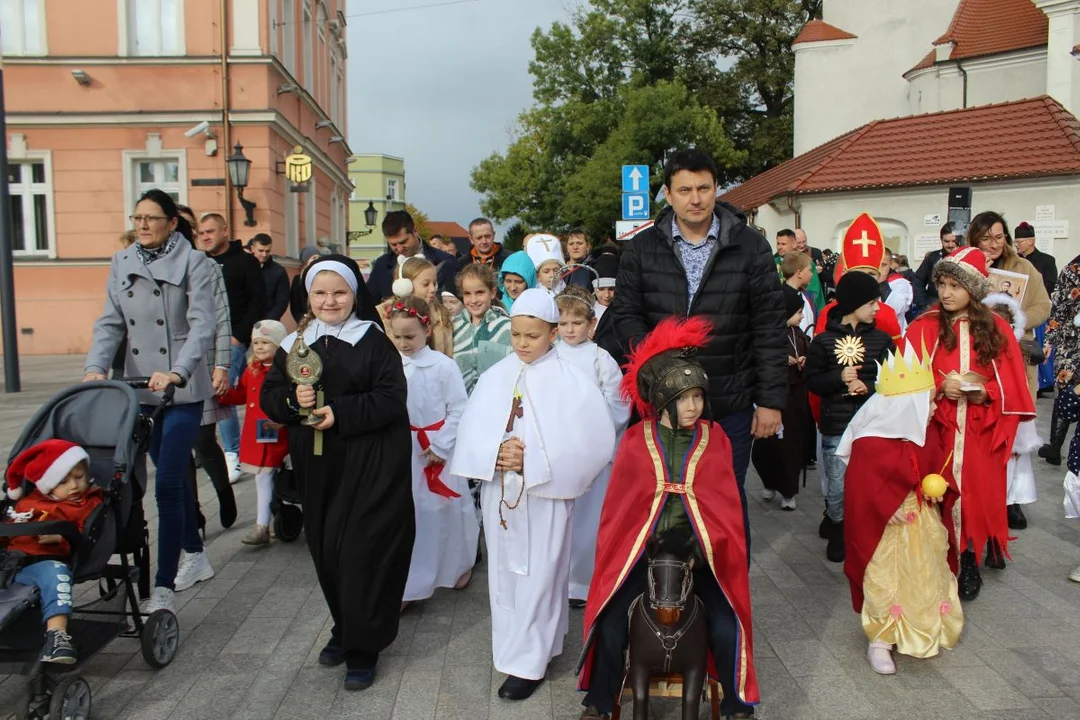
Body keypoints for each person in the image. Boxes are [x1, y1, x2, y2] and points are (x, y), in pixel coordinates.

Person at [577, 316, 758, 720]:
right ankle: (600, 700)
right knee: (610, 624)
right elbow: (620, 513)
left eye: (697, 396)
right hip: (643, 558)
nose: (693, 406)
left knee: (727, 626)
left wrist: (703, 549)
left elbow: (725, 507)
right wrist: (643, 547)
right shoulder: (635, 442)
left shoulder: (716, 438)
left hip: (702, 558)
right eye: (683, 398)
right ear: (661, 400)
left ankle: (735, 702)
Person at [612, 148, 788, 546]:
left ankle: (726, 605)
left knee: (722, 507)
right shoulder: (641, 249)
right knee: (658, 505)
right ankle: (663, 601)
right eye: (685, 189)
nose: (696, 198)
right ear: (668, 194)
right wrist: (659, 362)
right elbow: (625, 316)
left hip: (731, 403)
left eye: (704, 188)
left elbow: (768, 326)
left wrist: (771, 400)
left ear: (716, 189)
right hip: (662, 405)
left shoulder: (750, 246)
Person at [449, 288, 616, 701]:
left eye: (533, 336)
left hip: (546, 496)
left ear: (554, 333)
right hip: (501, 493)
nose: (522, 344)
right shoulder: (496, 377)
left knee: (542, 572)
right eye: (517, 335)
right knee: (506, 577)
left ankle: (529, 661)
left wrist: (535, 459)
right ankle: (517, 647)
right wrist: (496, 453)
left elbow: (592, 442)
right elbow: (471, 432)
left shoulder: (572, 381)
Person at [261, 254, 412, 692]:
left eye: (339, 292)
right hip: (317, 465)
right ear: (308, 297)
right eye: (320, 293)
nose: (330, 301)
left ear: (354, 295)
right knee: (326, 550)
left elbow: (390, 398)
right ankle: (344, 627)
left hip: (370, 463)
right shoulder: (295, 344)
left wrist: (338, 413)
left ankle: (365, 647)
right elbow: (272, 397)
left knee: (361, 554)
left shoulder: (373, 340)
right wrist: (295, 401)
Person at [85, 188, 217, 613]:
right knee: (156, 473)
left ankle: (162, 586)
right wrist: (95, 368)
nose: (142, 225)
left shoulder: (194, 262)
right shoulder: (121, 261)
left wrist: (179, 370)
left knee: (168, 483)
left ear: (172, 222)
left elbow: (202, 325)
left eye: (152, 218)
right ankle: (196, 554)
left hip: (180, 387)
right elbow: (110, 322)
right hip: (139, 387)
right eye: (138, 217)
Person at [905, 247, 1035, 601]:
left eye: (955, 286)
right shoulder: (923, 326)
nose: (946, 293)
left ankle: (970, 560)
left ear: (973, 290)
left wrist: (987, 392)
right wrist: (938, 385)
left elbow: (1013, 387)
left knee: (973, 497)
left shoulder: (997, 330)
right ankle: (934, 558)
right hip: (937, 429)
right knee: (936, 493)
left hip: (979, 431)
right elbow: (901, 381)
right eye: (942, 284)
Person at [836, 347, 963, 675]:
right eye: (930, 402)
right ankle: (880, 639)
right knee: (885, 578)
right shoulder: (871, 442)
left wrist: (937, 487)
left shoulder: (925, 432)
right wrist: (880, 504)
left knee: (923, 573)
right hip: (886, 527)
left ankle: (921, 625)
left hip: (921, 519)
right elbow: (860, 485)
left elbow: (937, 466)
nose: (935, 408)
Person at [384, 295, 478, 605]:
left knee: (449, 506)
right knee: (415, 511)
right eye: (396, 336)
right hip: (405, 446)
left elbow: (458, 409)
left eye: (409, 336)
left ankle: (458, 565)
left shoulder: (443, 366)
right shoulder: (391, 364)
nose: (403, 343)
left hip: (438, 445)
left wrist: (440, 444)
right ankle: (414, 579)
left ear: (426, 329)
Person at [805, 271, 895, 563]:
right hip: (838, 424)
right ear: (854, 303)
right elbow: (813, 381)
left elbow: (895, 379)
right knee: (838, 485)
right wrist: (838, 378)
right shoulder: (823, 342)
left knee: (870, 484)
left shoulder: (882, 341)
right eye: (871, 302)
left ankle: (861, 530)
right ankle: (837, 522)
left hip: (873, 426)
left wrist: (868, 386)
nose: (877, 308)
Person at [554, 286, 631, 606]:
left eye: (577, 323)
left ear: (591, 325)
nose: (570, 330)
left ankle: (583, 582)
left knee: (589, 518)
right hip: (557, 450)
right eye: (563, 323)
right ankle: (556, 578)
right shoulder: (550, 355)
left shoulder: (601, 360)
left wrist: (590, 431)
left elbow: (617, 403)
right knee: (559, 518)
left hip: (592, 453)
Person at [4, 440, 105, 664]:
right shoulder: (26, 503)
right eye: (64, 481)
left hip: (48, 561)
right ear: (47, 484)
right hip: (11, 562)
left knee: (56, 576)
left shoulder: (87, 504)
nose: (74, 485)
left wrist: (62, 538)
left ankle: (57, 635)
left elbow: (85, 536)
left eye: (79, 477)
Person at [197, 212, 267, 482]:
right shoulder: (197, 262)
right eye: (201, 232)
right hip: (202, 342)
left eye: (210, 231)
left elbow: (257, 302)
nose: (205, 237)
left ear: (224, 231)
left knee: (221, 393)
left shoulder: (245, 262)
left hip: (232, 340)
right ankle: (207, 449)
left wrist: (239, 337)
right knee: (202, 396)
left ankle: (232, 453)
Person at [216, 320, 290, 546]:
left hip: (275, 431)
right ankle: (266, 522)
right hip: (259, 435)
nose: (259, 347)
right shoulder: (252, 370)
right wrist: (222, 393)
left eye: (266, 343)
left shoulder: (283, 372)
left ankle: (263, 525)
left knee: (266, 475)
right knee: (263, 476)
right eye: (256, 342)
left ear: (278, 347)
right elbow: (242, 395)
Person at [982, 293, 1040, 543]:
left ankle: (1012, 501)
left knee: (1015, 459)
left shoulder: (1015, 349)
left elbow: (1022, 383)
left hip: (1012, 412)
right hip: (987, 410)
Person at [751, 285, 810, 510]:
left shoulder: (799, 334)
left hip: (795, 397)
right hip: (773, 396)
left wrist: (805, 360)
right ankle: (769, 481)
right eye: (797, 312)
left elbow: (809, 355)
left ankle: (788, 490)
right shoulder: (767, 336)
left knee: (791, 446)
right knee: (765, 446)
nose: (802, 316)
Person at [1041, 252, 1080, 466]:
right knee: (1065, 390)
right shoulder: (1071, 270)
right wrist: (1048, 342)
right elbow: (1057, 309)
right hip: (1071, 343)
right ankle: (1055, 446)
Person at [368, 210, 457, 302]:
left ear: (415, 231)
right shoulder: (381, 265)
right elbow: (370, 303)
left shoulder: (446, 261)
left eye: (403, 242)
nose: (399, 249)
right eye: (393, 245)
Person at [1014, 221, 1058, 397]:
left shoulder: (1047, 260)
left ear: (1030, 241)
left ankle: (1042, 383)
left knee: (1036, 348)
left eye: (1020, 242)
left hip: (1036, 311)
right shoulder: (1016, 263)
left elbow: (1049, 285)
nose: (1017, 245)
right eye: (1015, 242)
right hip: (1017, 310)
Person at [452, 264, 512, 394]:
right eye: (467, 294)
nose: (473, 300)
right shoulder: (452, 326)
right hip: (459, 406)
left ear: (493, 292)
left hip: (494, 403)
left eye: (479, 293)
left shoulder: (507, 327)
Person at [379, 257, 454, 357]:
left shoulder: (442, 316)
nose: (433, 289)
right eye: (426, 284)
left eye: (434, 283)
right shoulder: (381, 315)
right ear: (405, 286)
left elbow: (448, 356)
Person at [589, 248, 623, 366]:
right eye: (601, 289)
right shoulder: (587, 310)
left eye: (612, 289)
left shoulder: (624, 310)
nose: (607, 295)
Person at [914, 223, 960, 307]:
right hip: (934, 305)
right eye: (946, 241)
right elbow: (918, 280)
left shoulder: (968, 257)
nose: (950, 245)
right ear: (941, 240)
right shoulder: (932, 257)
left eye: (954, 241)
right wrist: (922, 303)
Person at [248, 233, 290, 321]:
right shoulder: (243, 267)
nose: (264, 254)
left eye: (267, 251)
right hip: (244, 323)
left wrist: (269, 320)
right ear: (252, 249)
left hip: (269, 323)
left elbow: (282, 301)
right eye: (261, 250)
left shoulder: (279, 271)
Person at [782, 252, 816, 337]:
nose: (812, 274)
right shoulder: (783, 297)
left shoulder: (804, 295)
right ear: (799, 273)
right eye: (810, 270)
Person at [290, 245, 327, 323]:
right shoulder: (298, 279)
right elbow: (295, 304)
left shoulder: (324, 277)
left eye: (318, 257)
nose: (317, 260)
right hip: (305, 320)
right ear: (306, 261)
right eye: (313, 258)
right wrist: (302, 321)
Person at [794, 228, 826, 313]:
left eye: (804, 242)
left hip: (813, 293)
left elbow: (827, 276)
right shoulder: (788, 256)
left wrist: (820, 272)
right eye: (799, 243)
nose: (802, 245)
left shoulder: (815, 252)